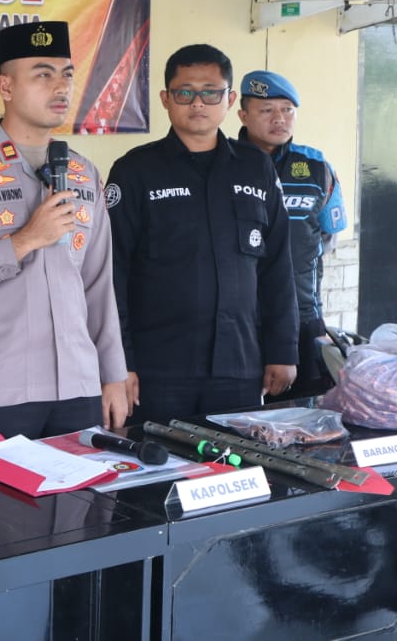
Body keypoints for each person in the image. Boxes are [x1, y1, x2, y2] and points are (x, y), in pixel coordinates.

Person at [0, 21, 128, 439]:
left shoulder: (83, 173)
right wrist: (24, 241)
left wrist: (113, 375)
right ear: (6, 86)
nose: (61, 87)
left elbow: (98, 285)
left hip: (79, 388)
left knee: (83, 485)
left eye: (66, 74)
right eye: (43, 75)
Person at [106, 44, 298, 425]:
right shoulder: (134, 171)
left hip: (238, 366)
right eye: (185, 92)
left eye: (210, 92)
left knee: (236, 461)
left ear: (229, 99)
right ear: (166, 99)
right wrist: (119, 362)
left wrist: (283, 350)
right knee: (157, 463)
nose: (198, 103)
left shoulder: (255, 168)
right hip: (157, 370)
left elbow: (277, 267)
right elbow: (114, 275)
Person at [238, 70, 347, 397]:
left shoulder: (316, 167)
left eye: (287, 110)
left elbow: (327, 238)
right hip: (239, 320)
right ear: (243, 115)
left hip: (303, 317)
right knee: (237, 413)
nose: (279, 119)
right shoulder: (225, 164)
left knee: (303, 410)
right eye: (267, 110)